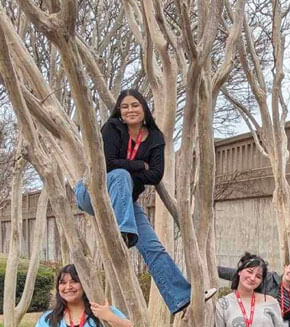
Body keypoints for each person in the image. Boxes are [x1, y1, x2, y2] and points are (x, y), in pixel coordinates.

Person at [74, 89, 214, 315]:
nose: (130, 110)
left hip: (124, 202)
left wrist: (131, 172)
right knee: (120, 175)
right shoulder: (112, 128)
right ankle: (124, 234)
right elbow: (106, 165)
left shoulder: (155, 138)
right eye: (125, 106)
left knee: (153, 247)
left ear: (144, 108)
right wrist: (139, 166)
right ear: (119, 110)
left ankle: (180, 297)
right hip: (91, 192)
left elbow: (156, 175)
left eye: (135, 105)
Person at [218, 260, 290, 327]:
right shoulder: (268, 278)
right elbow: (242, 275)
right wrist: (216, 270)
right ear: (285, 268)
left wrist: (284, 326)